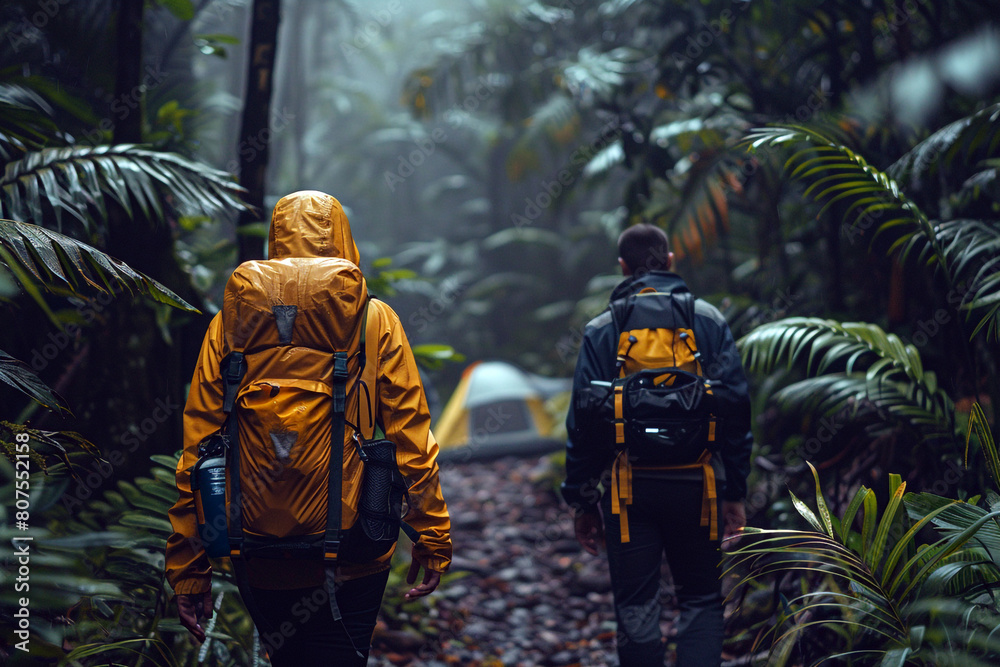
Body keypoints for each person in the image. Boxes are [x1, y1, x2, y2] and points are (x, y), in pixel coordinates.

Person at [165, 191, 452, 665]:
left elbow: (199, 451)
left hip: (254, 547)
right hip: (355, 547)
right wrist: (431, 535)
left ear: (276, 238)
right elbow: (411, 440)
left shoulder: (229, 326)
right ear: (343, 237)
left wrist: (189, 569)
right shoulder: (373, 320)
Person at [561, 223, 752, 666]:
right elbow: (738, 408)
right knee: (702, 601)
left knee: (636, 606)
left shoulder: (602, 328)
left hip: (630, 491)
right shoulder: (708, 320)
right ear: (669, 262)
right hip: (700, 486)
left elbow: (583, 422)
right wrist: (736, 492)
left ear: (623, 268)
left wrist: (583, 502)